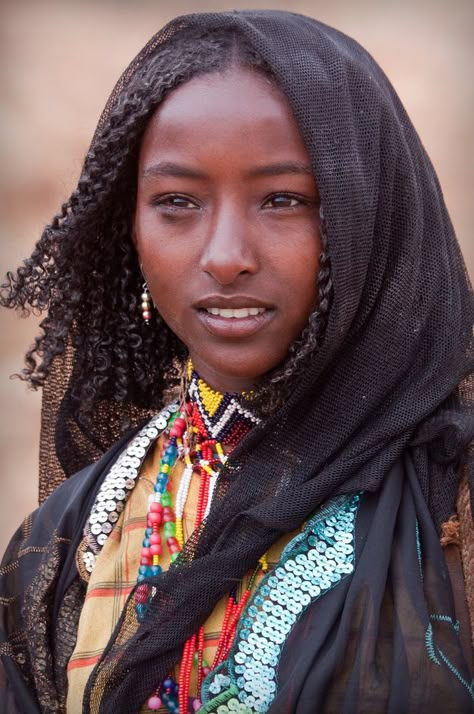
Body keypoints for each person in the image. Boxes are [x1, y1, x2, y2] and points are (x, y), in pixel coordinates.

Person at [1, 9, 473, 714]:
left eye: (284, 200)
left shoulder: (451, 496)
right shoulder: (68, 539)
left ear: (366, 214)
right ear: (126, 228)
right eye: (177, 202)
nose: (224, 255)